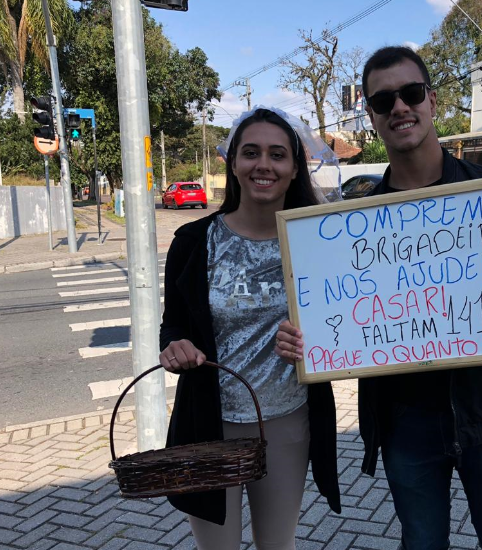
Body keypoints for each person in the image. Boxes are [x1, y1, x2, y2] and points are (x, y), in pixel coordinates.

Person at [276, 47, 482, 550]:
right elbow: (330, 314)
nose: (399, 106)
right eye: (382, 100)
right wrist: (303, 340)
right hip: (406, 427)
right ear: (372, 117)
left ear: (432, 101)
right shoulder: (352, 225)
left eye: (410, 93)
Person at [159, 107, 341, 550]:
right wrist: (174, 349)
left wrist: (312, 343)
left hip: (286, 421)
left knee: (277, 545)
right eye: (251, 152)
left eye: (278, 154)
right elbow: (173, 327)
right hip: (209, 425)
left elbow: (348, 323)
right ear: (234, 163)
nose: (264, 164)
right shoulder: (192, 243)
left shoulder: (319, 243)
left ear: (295, 167)